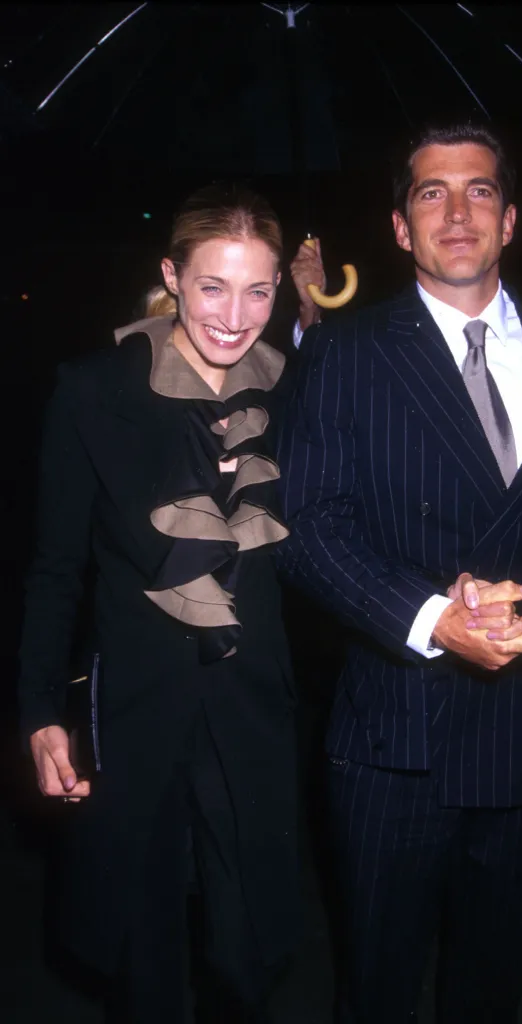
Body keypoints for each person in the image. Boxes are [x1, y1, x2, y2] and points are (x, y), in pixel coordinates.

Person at [277, 122, 522, 1023]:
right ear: (401, 229)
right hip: (399, 738)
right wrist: (433, 618)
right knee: (380, 985)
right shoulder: (346, 355)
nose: (457, 211)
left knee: (493, 982)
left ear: (510, 219)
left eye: (478, 190)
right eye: (430, 193)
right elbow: (306, 528)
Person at [19, 184, 299, 1024]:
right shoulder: (91, 389)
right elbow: (56, 567)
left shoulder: (294, 388)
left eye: (259, 289)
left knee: (247, 951)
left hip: (254, 708)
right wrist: (39, 713)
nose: (235, 313)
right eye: (213, 284)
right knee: (143, 958)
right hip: (138, 705)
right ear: (172, 275)